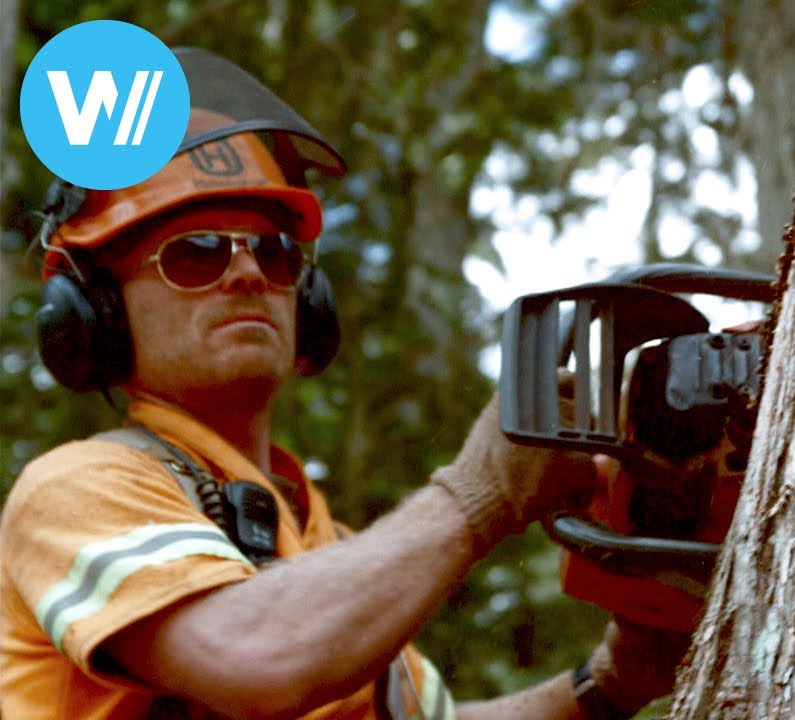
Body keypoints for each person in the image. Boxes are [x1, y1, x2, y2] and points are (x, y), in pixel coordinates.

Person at [0, 48, 685, 720]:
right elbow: (254, 659)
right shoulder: (76, 491)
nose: (246, 276)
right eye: (196, 253)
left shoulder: (330, 551)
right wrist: (477, 495)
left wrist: (610, 684)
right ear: (98, 315)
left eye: (274, 252)